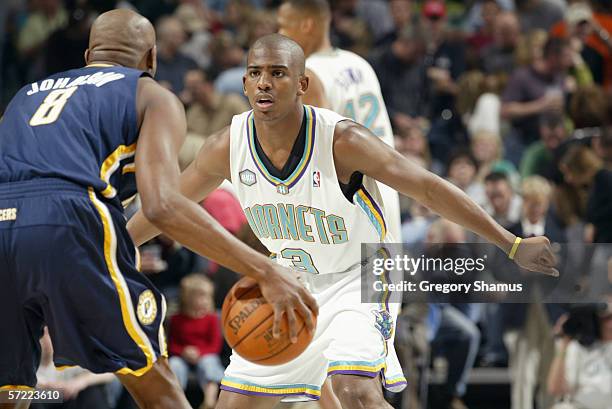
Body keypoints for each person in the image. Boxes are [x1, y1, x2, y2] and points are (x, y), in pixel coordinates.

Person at [128, 33, 559, 409]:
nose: (264, 81)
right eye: (255, 72)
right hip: (290, 283)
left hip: (362, 275)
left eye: (277, 73)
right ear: (243, 83)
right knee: (235, 403)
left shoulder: (342, 140)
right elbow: (165, 206)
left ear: (301, 84)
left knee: (353, 390)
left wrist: (511, 243)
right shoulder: (226, 146)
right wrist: (114, 247)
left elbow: (427, 187)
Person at [0, 10, 316, 409]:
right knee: (154, 383)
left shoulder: (24, 95)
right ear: (151, 59)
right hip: (69, 218)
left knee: (11, 390)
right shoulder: (149, 93)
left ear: (87, 55)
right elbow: (163, 205)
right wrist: (264, 268)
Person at [277, 0, 402, 243]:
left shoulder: (309, 74)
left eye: (283, 26)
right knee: (387, 276)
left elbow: (316, 152)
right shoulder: (359, 62)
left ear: (307, 25)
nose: (279, 34)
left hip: (354, 195)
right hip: (388, 183)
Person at [168, 275, 224, 409]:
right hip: (182, 357)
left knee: (209, 363)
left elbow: (215, 346)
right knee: (174, 365)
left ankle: (209, 401)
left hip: (204, 355)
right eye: (200, 296)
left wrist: (200, 353)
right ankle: (177, 401)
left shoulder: (212, 318)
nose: (205, 300)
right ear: (188, 297)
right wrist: (183, 352)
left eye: (207, 296)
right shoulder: (176, 319)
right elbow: (171, 344)